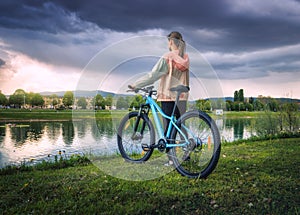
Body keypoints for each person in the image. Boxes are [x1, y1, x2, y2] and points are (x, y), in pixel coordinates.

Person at [129, 31, 190, 165]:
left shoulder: (168, 57)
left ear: (170, 42)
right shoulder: (185, 57)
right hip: (182, 96)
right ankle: (187, 153)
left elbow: (153, 75)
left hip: (168, 96)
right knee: (180, 125)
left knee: (168, 127)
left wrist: (136, 85)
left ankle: (171, 160)